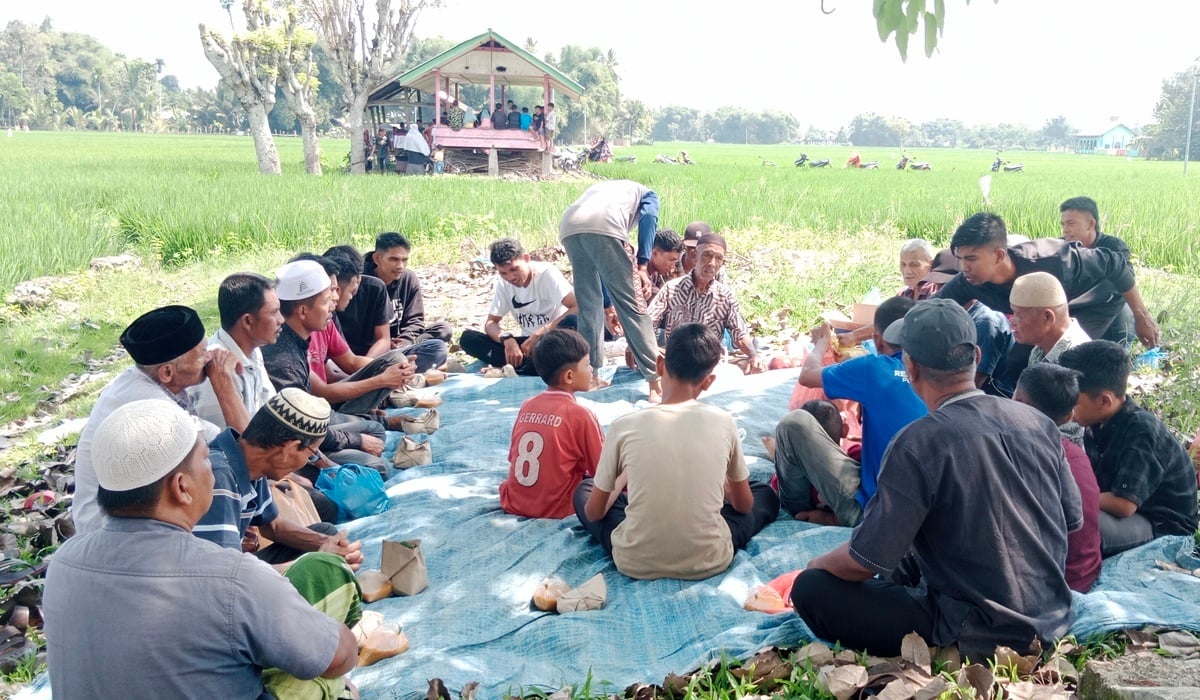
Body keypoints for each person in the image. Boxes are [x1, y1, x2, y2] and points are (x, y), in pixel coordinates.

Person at [791, 299, 1080, 660]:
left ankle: (947, 647)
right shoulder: (1037, 422)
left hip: (975, 627)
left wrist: (816, 565)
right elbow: (1072, 519)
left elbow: (864, 560)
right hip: (1052, 616)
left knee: (812, 588)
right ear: (976, 356)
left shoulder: (917, 442)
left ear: (910, 366)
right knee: (906, 558)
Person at [44, 400, 359, 699]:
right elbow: (338, 658)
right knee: (325, 603)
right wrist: (336, 630)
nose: (214, 467)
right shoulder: (233, 578)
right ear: (182, 487)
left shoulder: (63, 562)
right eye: (207, 458)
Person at [573, 324, 779, 580]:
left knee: (585, 490)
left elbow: (594, 513)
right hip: (710, 558)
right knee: (764, 494)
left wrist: (625, 474)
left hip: (634, 560)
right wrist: (719, 483)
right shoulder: (724, 422)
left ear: (660, 365)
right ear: (709, 382)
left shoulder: (623, 426)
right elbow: (743, 505)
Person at [72, 304, 244, 534]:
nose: (210, 358)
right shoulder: (152, 407)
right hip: (117, 533)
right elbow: (243, 449)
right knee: (219, 469)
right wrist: (224, 382)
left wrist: (205, 354)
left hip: (140, 514)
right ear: (167, 373)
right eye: (203, 354)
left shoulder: (142, 377)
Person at [774, 296, 926, 526]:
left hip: (878, 512)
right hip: (926, 509)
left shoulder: (874, 368)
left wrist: (821, 344)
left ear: (877, 340)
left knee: (794, 424)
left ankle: (798, 509)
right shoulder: (938, 374)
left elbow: (807, 376)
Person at [195, 388, 365, 569]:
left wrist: (330, 545)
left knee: (326, 533)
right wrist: (313, 565)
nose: (308, 461)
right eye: (312, 455)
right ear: (290, 449)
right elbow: (221, 575)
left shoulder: (251, 463)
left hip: (228, 570)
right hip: (213, 575)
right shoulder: (219, 477)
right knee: (324, 568)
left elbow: (273, 526)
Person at [935, 212, 1159, 348]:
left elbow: (1116, 264)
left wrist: (1142, 316)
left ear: (999, 255)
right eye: (960, 259)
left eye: (971, 259)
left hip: (1095, 299)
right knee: (1017, 364)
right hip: (1047, 313)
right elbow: (932, 309)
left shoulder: (1055, 259)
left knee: (1066, 358)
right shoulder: (967, 280)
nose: (963, 267)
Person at [1059, 340, 1199, 556]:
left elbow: (1124, 504)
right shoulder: (1097, 422)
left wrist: (1070, 494)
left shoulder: (1142, 431)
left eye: (1074, 402)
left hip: (1162, 527)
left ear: (1104, 401)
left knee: (1074, 521)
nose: (1067, 409)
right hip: (1131, 513)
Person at [260, 259, 389, 475]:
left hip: (311, 430)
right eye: (327, 301)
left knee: (375, 430)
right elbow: (299, 431)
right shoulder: (283, 358)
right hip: (295, 449)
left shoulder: (296, 340)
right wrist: (354, 441)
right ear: (303, 311)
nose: (332, 307)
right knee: (376, 468)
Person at [559, 180, 664, 401]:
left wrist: (607, 306)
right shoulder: (649, 195)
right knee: (632, 306)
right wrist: (643, 265)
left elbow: (601, 270)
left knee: (589, 307)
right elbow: (649, 218)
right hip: (605, 225)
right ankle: (656, 384)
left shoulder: (606, 190)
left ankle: (591, 377)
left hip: (569, 227)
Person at [1013, 363, 1102, 592]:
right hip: (1084, 573)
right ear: (1070, 415)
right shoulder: (1075, 454)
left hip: (1044, 585)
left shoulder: (1013, 454)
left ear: (1017, 401)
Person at [298, 252, 416, 421]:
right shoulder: (290, 339)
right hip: (314, 412)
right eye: (331, 291)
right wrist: (382, 380)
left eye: (336, 291)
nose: (336, 297)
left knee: (396, 358)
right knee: (374, 429)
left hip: (328, 401)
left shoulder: (325, 322)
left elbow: (352, 362)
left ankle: (358, 418)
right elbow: (321, 392)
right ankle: (360, 419)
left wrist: (395, 369)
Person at [500, 330, 604, 519]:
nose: (591, 370)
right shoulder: (581, 415)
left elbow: (512, 458)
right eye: (587, 364)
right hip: (557, 508)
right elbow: (604, 473)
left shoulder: (527, 405)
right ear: (569, 376)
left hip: (514, 502)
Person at [647, 233, 766, 373]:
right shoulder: (671, 289)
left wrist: (753, 355)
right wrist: (641, 347)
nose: (712, 263)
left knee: (750, 367)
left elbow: (739, 332)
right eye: (707, 255)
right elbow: (649, 322)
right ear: (695, 256)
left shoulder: (725, 296)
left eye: (718, 258)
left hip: (709, 366)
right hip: (676, 364)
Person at [459, 238, 578, 375]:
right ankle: (526, 365)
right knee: (468, 339)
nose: (510, 277)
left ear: (526, 259)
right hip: (526, 346)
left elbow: (576, 307)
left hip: (553, 341)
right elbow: (491, 323)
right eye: (503, 273)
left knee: (572, 325)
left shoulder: (547, 274)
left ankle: (515, 367)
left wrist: (541, 333)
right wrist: (507, 339)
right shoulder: (504, 283)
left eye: (514, 269)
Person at [189, 273, 282, 430]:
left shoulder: (253, 349)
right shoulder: (217, 372)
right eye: (274, 313)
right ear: (248, 321)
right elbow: (226, 439)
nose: (281, 319)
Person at [362, 231, 452, 371]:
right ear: (377, 259)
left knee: (443, 330)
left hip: (400, 344)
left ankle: (399, 363)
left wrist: (405, 341)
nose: (400, 266)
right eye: (394, 259)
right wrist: (383, 342)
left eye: (404, 260)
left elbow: (415, 320)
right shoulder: (364, 283)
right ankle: (393, 366)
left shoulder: (409, 279)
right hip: (372, 347)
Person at [1060, 196, 1136, 345]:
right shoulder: (1061, 248)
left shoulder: (1113, 247)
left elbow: (1122, 282)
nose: (1065, 230)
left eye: (1071, 224)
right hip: (1071, 307)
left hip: (1106, 306)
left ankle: (1119, 350)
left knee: (1124, 313)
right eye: (1063, 224)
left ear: (1091, 224)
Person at [1009, 271, 1092, 366]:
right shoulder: (1041, 346)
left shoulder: (1079, 360)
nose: (1012, 321)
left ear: (1047, 317)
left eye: (1019, 316)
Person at [329, 244, 392, 358]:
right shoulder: (324, 305)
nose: (335, 295)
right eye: (333, 288)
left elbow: (384, 339)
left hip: (366, 357)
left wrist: (366, 362)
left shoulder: (375, 288)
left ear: (358, 277)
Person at [645, 228, 683, 300]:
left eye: (675, 262)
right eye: (671, 260)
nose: (673, 266)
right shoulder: (639, 273)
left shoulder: (656, 273)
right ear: (655, 253)